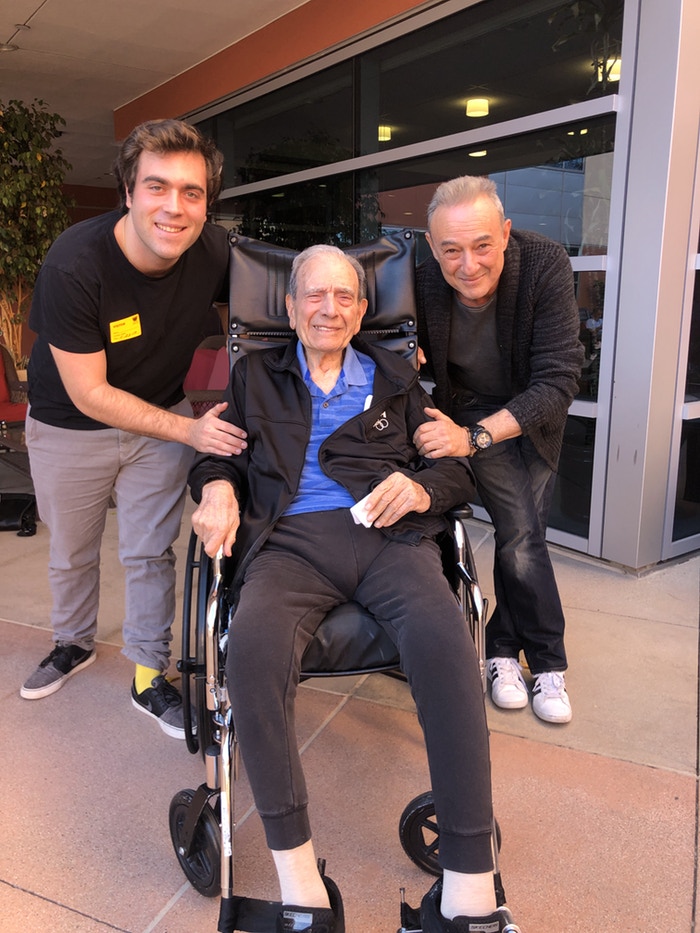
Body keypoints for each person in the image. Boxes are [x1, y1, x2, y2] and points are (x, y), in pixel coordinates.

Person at [189, 244, 521, 933]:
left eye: (345, 297)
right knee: (251, 646)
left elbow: (457, 474)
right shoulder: (255, 375)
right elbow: (216, 451)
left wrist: (421, 485)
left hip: (389, 541)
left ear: (364, 310)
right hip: (288, 544)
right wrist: (218, 486)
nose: (329, 308)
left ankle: (468, 893)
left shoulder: (399, 381)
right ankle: (301, 886)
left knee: (446, 642)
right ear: (288, 307)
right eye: (315, 294)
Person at [20, 118, 247, 740]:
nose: (174, 207)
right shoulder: (75, 262)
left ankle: (150, 676)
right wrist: (190, 433)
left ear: (207, 203)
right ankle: (72, 643)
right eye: (157, 187)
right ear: (128, 191)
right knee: (71, 551)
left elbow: (285, 297)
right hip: (70, 424)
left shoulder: (214, 252)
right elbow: (89, 393)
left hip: (161, 414)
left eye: (192, 193)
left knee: (150, 552)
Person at [413, 175, 584, 725]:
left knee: (521, 534)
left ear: (506, 233)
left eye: (483, 244)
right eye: (451, 250)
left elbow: (559, 378)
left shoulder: (543, 262)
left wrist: (478, 437)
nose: (468, 264)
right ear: (431, 243)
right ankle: (547, 661)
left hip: (531, 414)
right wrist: (400, 347)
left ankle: (504, 650)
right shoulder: (418, 277)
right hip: (463, 405)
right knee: (520, 532)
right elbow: (372, 326)